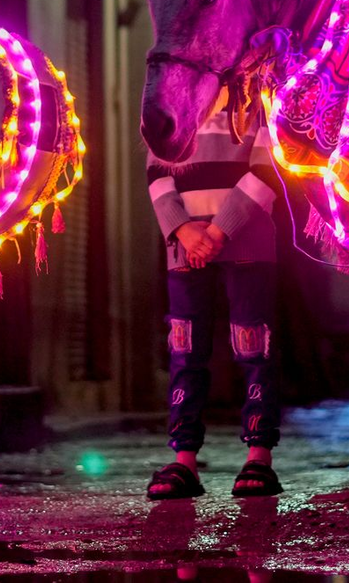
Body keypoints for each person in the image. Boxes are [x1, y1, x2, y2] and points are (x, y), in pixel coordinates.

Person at [145, 96, 282, 500]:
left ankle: (259, 454)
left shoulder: (261, 95)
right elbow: (156, 169)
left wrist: (220, 231)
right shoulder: (170, 94)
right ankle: (183, 458)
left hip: (248, 239)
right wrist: (183, 229)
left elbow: (268, 168)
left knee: (254, 344)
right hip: (184, 244)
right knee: (184, 347)